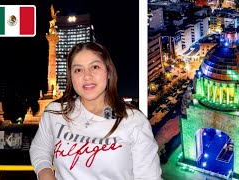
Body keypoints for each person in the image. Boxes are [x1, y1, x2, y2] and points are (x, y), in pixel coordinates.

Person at [29, 42, 163, 180]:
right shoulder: (55, 113)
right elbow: (40, 149)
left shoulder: (133, 120)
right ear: (71, 77)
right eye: (78, 70)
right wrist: (46, 174)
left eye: (95, 67)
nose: (87, 76)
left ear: (108, 72)